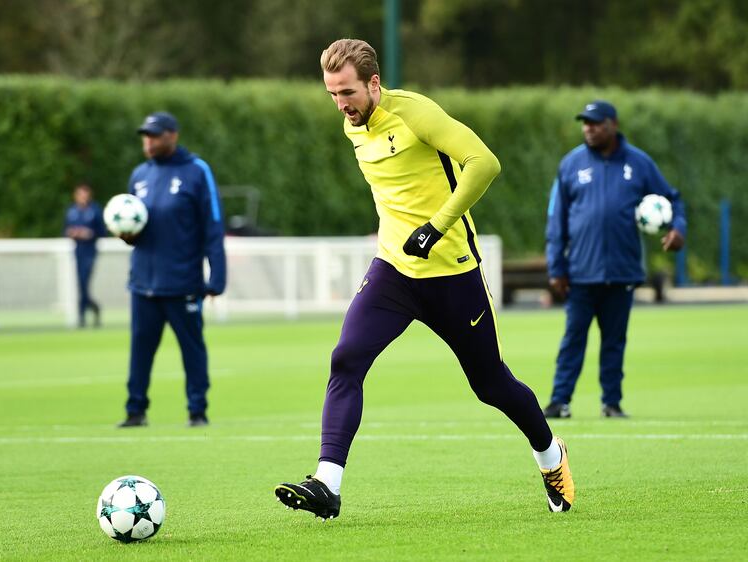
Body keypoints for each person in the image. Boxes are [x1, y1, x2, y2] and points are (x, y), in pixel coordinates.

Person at [275, 39, 575, 519]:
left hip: (452, 273)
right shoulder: (352, 124)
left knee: (491, 384)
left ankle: (550, 455)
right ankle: (327, 485)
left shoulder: (415, 113)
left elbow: (486, 164)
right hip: (393, 270)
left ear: (374, 83)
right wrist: (399, 237)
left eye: (347, 91)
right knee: (346, 359)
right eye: (332, 94)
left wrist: (436, 227)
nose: (340, 104)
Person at [543, 100, 686, 419]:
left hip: (622, 272)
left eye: (595, 123)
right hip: (580, 272)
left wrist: (677, 229)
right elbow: (556, 219)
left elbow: (673, 199)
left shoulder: (639, 163)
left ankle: (612, 403)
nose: (588, 129)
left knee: (614, 342)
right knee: (572, 340)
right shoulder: (570, 164)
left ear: (613, 124)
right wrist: (556, 267)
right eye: (585, 123)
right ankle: (559, 401)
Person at [117, 111, 226, 428]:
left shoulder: (196, 171)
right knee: (140, 351)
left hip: (183, 283)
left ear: (172, 135)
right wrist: (127, 235)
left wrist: (216, 277)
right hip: (143, 283)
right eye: (145, 136)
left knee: (192, 349)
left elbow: (213, 225)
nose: (148, 142)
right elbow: (136, 227)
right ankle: (135, 411)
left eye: (154, 135)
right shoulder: (139, 175)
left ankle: (197, 410)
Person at [64, 183, 107, 328]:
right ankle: (93, 309)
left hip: (90, 252)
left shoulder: (95, 210)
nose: (82, 197)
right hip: (77, 252)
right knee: (81, 285)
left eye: (85, 194)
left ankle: (82, 316)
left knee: (84, 283)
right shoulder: (72, 211)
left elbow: (102, 231)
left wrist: (89, 234)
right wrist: (72, 233)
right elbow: (65, 229)